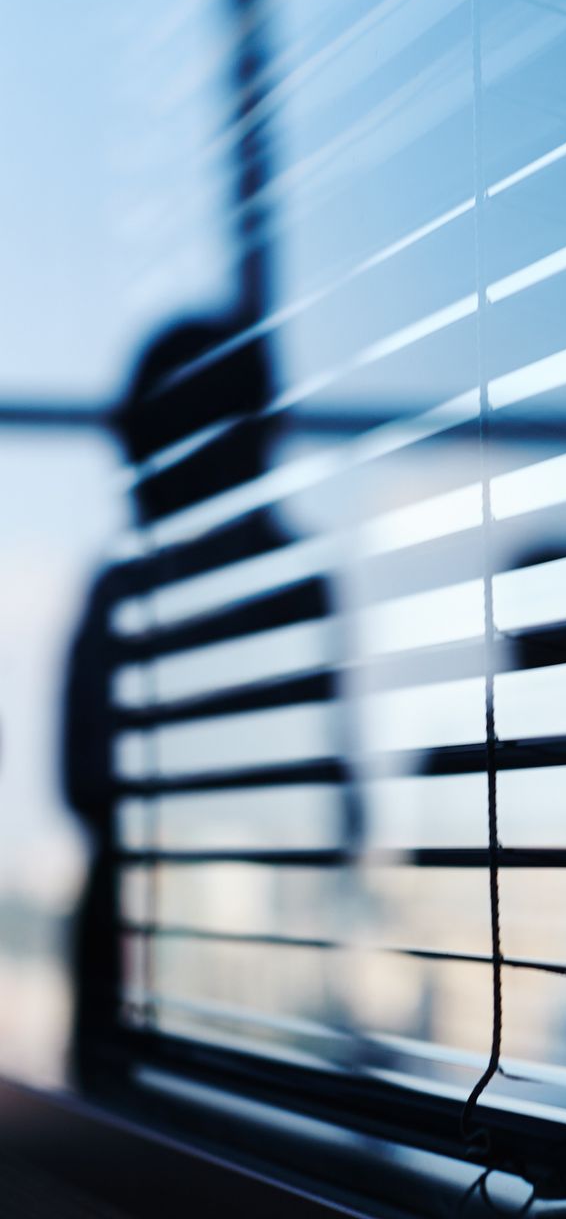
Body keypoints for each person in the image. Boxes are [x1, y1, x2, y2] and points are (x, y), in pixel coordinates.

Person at [63, 317, 292, 1093]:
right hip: (151, 977)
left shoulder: (271, 591)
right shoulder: (132, 588)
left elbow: (83, 774)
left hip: (233, 978)